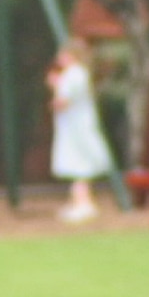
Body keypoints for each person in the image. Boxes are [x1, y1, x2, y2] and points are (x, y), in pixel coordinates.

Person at [48, 38, 114, 224]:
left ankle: (83, 204)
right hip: (78, 126)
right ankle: (79, 202)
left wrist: (54, 87)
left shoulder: (73, 74)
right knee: (79, 164)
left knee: (78, 164)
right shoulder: (80, 74)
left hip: (76, 128)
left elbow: (63, 102)